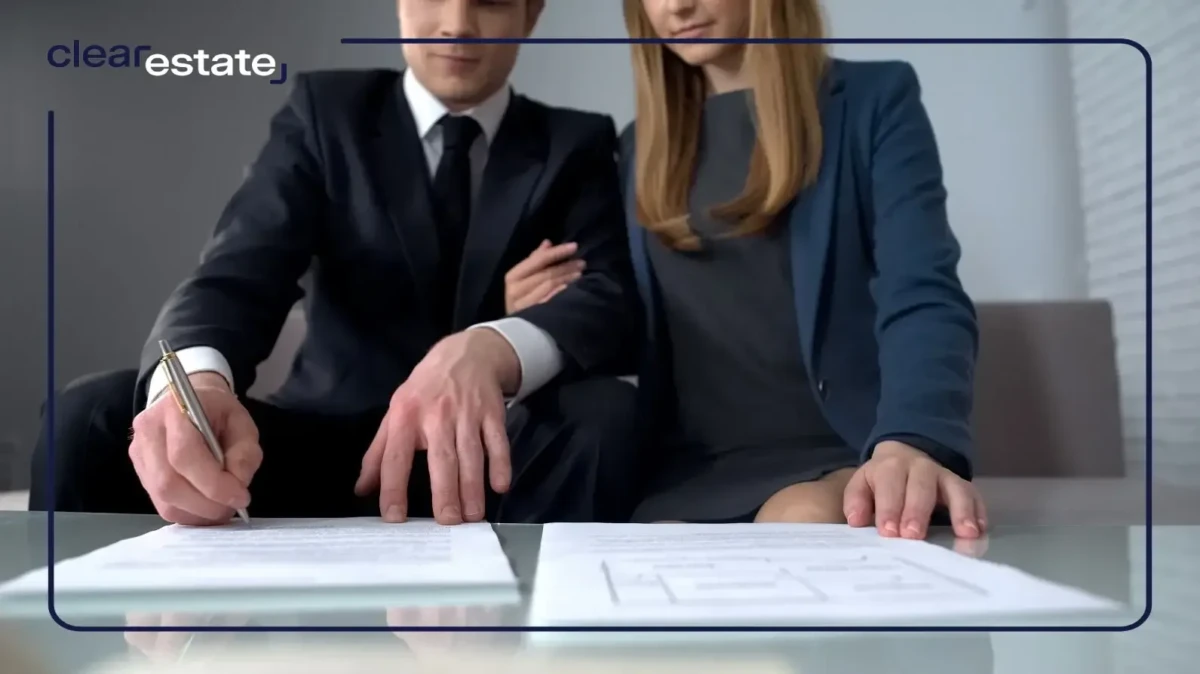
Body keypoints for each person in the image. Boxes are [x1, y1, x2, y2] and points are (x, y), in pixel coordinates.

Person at [28, 0, 642, 526]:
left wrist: (489, 346)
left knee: (606, 415)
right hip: (324, 443)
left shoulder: (574, 141)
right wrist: (196, 385)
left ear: (531, 15)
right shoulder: (328, 113)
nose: (457, 23)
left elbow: (608, 297)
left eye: (492, 1)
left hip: (487, 455)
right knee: (92, 416)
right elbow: (241, 270)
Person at [504, 0, 988, 540]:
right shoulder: (637, 147)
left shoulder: (875, 100)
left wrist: (911, 439)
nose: (677, 6)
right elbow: (634, 329)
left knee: (800, 525)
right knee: (651, 572)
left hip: (839, 454)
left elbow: (923, 291)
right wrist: (548, 313)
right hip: (688, 470)